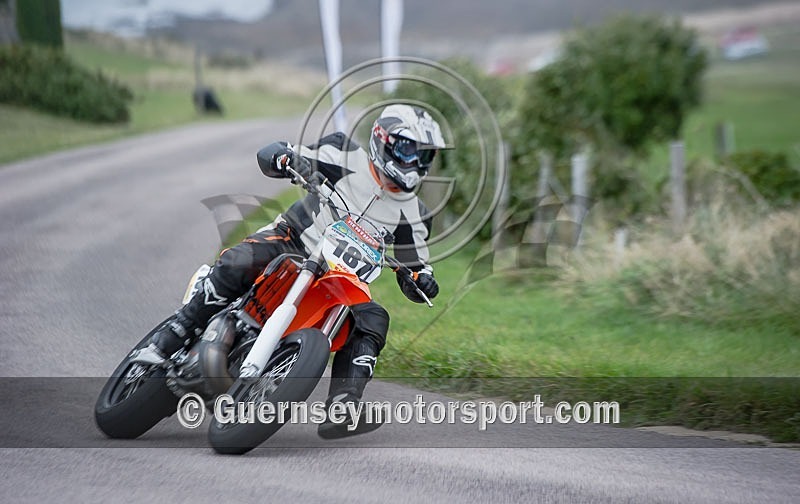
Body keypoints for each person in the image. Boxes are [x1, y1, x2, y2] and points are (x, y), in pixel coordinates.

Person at [140, 104, 445, 438]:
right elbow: (278, 152)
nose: (415, 162)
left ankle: (344, 404)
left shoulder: (415, 213)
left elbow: (415, 260)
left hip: (342, 276)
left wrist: (421, 279)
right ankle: (174, 334)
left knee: (374, 318)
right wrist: (284, 158)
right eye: (408, 149)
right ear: (382, 140)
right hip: (295, 240)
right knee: (239, 262)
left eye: (424, 156)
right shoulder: (342, 152)